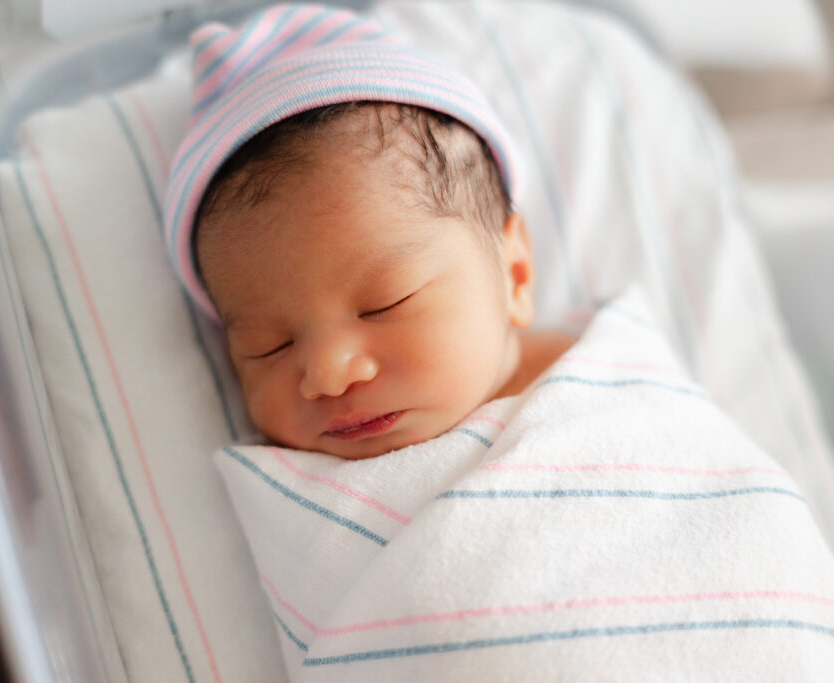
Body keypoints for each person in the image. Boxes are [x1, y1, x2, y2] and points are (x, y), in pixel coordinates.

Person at [165, 3, 574, 459]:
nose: (327, 374)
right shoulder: (296, 484)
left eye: (385, 303)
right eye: (267, 347)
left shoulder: (604, 368)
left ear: (514, 273)